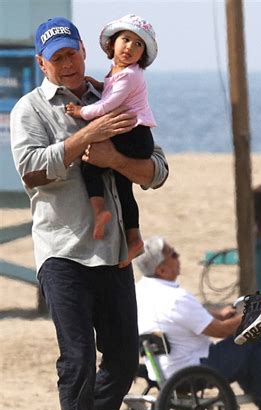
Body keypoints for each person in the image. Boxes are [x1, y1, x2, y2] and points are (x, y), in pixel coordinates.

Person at [10, 17, 169, 410]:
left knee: (123, 362)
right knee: (76, 358)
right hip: (61, 251)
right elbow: (32, 171)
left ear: (84, 50)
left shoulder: (115, 92)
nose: (67, 64)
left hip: (115, 252)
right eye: (56, 58)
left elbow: (156, 169)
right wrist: (83, 139)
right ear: (42, 63)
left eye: (72, 53)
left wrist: (115, 157)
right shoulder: (30, 110)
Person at [134, 236, 261, 410]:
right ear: (162, 270)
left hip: (163, 369)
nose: (178, 256)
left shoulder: (141, 291)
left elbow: (180, 316)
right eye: (173, 254)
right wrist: (256, 315)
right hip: (193, 369)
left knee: (242, 342)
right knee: (258, 335)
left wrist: (219, 313)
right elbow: (221, 331)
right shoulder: (176, 299)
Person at [66, 14, 158, 260]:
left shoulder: (129, 75)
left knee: (91, 161)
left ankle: (99, 211)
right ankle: (134, 238)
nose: (130, 47)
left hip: (134, 135)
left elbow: (107, 105)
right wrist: (99, 82)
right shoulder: (119, 72)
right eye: (126, 39)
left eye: (138, 44)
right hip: (135, 135)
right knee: (122, 186)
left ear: (142, 55)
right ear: (112, 44)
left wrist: (80, 111)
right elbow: (112, 91)